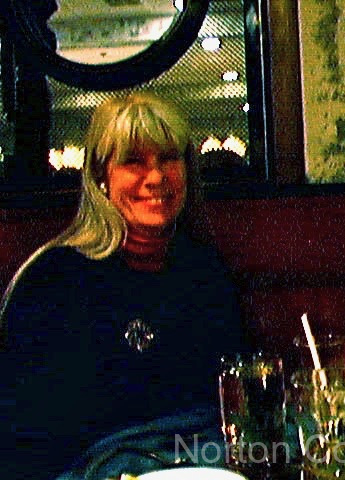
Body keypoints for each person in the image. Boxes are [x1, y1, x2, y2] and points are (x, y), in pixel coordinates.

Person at [2, 93, 249, 478]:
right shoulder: (52, 281)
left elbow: (237, 394)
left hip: (205, 458)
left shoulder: (203, 270)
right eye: (133, 161)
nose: (157, 177)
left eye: (169, 158)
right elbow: (24, 440)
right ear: (101, 177)